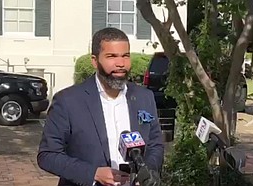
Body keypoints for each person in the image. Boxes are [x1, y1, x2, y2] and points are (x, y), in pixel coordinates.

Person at [37, 27, 164, 186]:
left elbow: (155, 145)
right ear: (95, 61)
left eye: (125, 56)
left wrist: (148, 172)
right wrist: (93, 173)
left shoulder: (144, 97)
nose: (120, 63)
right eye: (111, 56)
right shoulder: (67, 101)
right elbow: (48, 155)